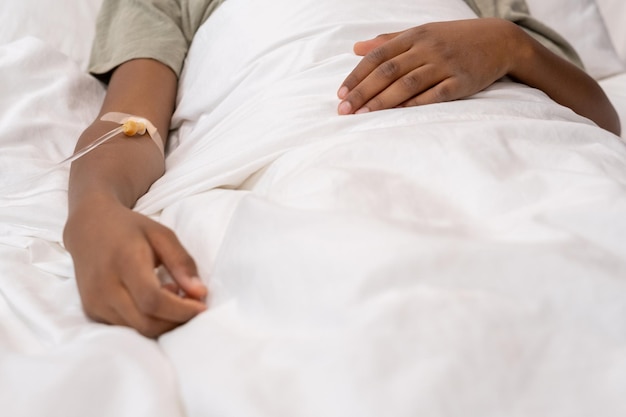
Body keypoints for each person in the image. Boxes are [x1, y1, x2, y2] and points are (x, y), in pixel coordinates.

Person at [63, 0, 621, 338]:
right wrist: (94, 208)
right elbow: (133, 119)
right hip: (294, 141)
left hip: (506, 128)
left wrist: (509, 45)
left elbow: (601, 118)